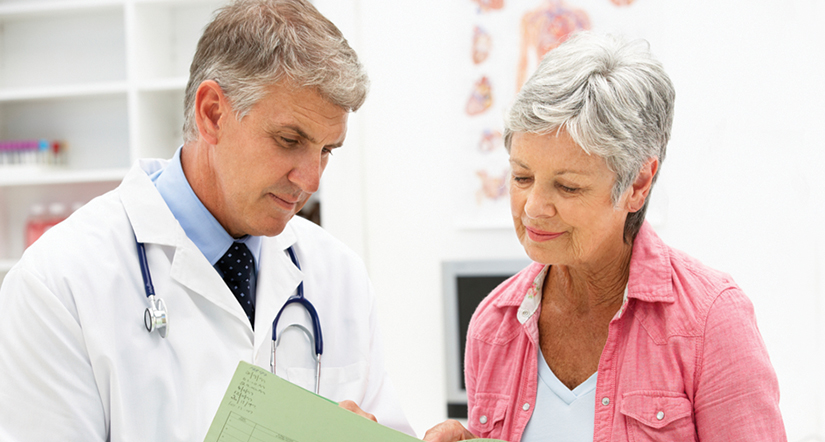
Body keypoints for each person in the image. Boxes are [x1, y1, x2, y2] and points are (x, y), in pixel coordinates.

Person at [0, 0, 413, 440]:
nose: (311, 179)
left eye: (327, 150)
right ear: (213, 113)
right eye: (290, 140)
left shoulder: (338, 274)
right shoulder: (58, 285)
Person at [424, 32, 786, 442]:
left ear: (637, 184)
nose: (533, 207)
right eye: (522, 176)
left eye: (568, 187)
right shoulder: (493, 325)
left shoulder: (711, 321)